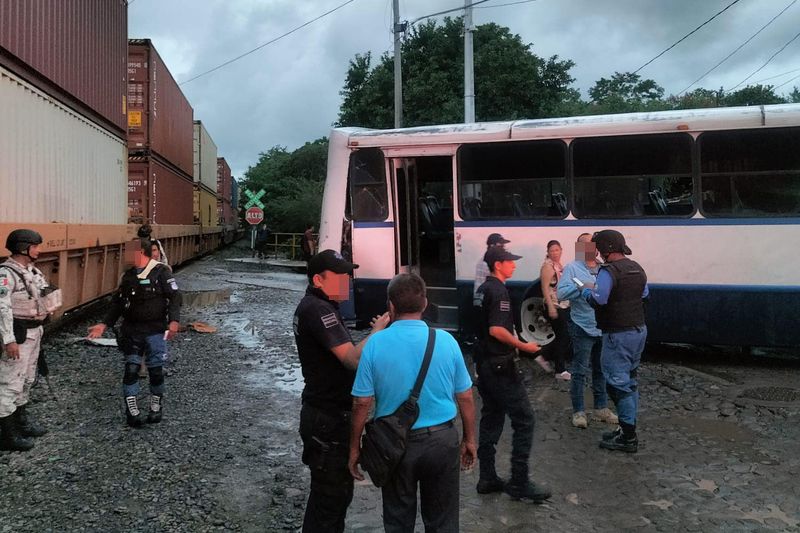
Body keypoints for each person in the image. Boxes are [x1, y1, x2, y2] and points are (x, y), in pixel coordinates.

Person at [348, 273, 477, 532]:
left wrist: (354, 449)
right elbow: (465, 395)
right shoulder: (447, 341)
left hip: (394, 445)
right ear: (425, 304)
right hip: (442, 442)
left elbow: (362, 402)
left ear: (390, 306)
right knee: (443, 522)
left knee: (398, 520)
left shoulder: (375, 345)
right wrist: (470, 439)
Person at [293, 249, 389, 532]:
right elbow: (352, 359)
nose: (347, 282)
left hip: (325, 415)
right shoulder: (317, 310)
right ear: (318, 280)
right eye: (340, 277)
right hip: (327, 419)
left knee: (332, 497)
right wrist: (377, 333)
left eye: (348, 276)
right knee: (330, 499)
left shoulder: (324, 307)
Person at [474, 247, 552, 502]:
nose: (514, 266)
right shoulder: (498, 291)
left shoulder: (482, 289)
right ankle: (519, 481)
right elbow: (497, 329)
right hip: (500, 365)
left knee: (492, 418)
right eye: (510, 262)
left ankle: (487, 477)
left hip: (485, 364)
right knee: (525, 420)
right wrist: (524, 347)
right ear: (498, 264)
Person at [87, 238, 181, 427]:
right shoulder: (128, 276)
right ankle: (132, 411)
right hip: (132, 330)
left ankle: (156, 407)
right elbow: (118, 304)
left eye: (129, 252)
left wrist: (174, 321)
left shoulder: (161, 272)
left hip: (155, 330)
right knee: (131, 370)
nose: (126, 256)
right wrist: (104, 324)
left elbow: (175, 297)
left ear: (141, 253)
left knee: (155, 371)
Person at [583, 230, 649, 453]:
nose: (599, 253)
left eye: (600, 249)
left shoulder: (609, 271)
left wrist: (585, 291)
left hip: (617, 335)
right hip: (638, 330)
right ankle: (626, 429)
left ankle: (628, 438)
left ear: (607, 250)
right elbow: (644, 294)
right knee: (630, 379)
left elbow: (600, 298)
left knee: (617, 384)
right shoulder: (637, 268)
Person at [0, 229, 60, 451]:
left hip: (34, 332)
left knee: (27, 378)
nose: (38, 250)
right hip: (19, 334)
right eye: (35, 246)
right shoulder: (6, 274)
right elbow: (2, 308)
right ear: (23, 247)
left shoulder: (31, 271)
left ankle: (21, 423)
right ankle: (7, 435)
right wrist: (9, 340)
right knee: (10, 382)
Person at [557, 234, 618, 429]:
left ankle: (601, 408)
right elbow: (561, 293)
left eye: (593, 244)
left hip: (602, 327)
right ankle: (579, 411)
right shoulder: (572, 268)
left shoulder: (604, 268)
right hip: (581, 325)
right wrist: (584, 287)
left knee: (601, 370)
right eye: (585, 244)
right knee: (579, 371)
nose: (590, 247)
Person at [537, 240, 571, 380]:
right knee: (563, 337)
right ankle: (560, 370)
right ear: (548, 252)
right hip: (554, 305)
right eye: (552, 250)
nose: (555, 253)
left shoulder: (559, 266)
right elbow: (544, 288)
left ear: (561, 250)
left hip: (562, 304)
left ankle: (542, 355)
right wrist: (551, 307)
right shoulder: (548, 267)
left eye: (557, 250)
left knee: (562, 336)